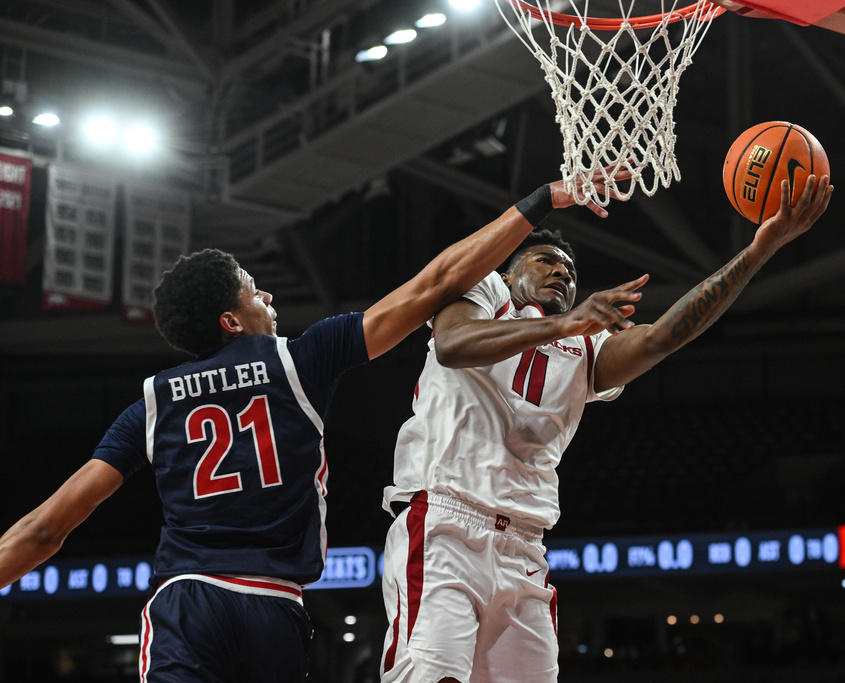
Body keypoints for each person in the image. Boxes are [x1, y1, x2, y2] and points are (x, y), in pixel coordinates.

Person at [0, 170, 630, 683]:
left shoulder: (153, 404)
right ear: (230, 320)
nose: (268, 296)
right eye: (252, 290)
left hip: (189, 599)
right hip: (275, 608)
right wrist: (541, 201)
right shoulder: (302, 360)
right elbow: (437, 283)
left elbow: (47, 528)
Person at [379, 175, 834, 683]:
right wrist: (566, 323)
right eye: (545, 260)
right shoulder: (485, 291)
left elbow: (663, 338)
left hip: (525, 548)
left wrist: (758, 251)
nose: (561, 273)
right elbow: (454, 345)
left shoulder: (586, 348)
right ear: (508, 274)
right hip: (445, 523)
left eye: (570, 270)